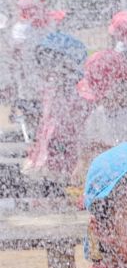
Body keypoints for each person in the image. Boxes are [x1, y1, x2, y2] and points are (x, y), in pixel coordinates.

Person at [22, 32, 92, 186]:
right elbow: (45, 127)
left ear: (66, 64)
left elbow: (78, 131)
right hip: (48, 156)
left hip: (67, 156)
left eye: (50, 61)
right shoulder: (51, 89)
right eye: (43, 61)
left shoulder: (79, 93)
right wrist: (34, 154)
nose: (45, 67)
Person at [77, 50, 127, 179]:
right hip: (104, 175)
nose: (101, 101)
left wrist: (105, 148)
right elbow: (87, 150)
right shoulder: (97, 115)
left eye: (104, 95)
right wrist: (82, 162)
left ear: (122, 86)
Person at [7, 0, 65, 138]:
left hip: (32, 77)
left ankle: (37, 138)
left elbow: (15, 53)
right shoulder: (43, 26)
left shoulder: (21, 29)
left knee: (33, 105)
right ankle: (42, 136)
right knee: (42, 106)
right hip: (41, 77)